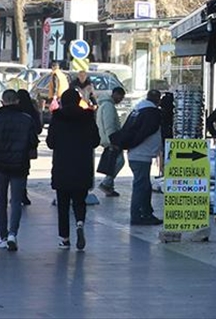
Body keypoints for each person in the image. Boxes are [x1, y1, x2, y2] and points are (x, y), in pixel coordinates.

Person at [0, 89, 39, 251]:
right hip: (20, 165)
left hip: (0, 166)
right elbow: (33, 142)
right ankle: (12, 234)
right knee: (16, 201)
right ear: (17, 101)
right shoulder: (26, 119)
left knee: (1, 201)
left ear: (2, 102)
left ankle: (2, 235)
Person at [46, 88, 100, 250]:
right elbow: (96, 141)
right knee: (79, 201)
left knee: (62, 205)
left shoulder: (57, 118)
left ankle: (64, 239)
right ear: (78, 101)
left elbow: (50, 143)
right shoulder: (88, 117)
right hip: (82, 166)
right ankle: (80, 223)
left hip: (62, 166)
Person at [110, 89, 163, 226]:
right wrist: (135, 143)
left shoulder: (137, 109)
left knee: (144, 185)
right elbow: (145, 132)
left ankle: (146, 212)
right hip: (141, 154)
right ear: (158, 100)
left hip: (137, 153)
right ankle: (138, 215)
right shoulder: (151, 113)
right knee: (141, 186)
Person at [95, 86, 126, 196]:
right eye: (120, 97)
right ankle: (106, 183)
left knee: (113, 162)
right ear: (115, 94)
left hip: (106, 138)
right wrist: (113, 140)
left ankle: (109, 186)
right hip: (111, 139)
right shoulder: (108, 106)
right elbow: (109, 125)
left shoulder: (104, 105)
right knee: (119, 161)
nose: (121, 100)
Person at [14, 89, 42, 206]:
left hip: (13, 145)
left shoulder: (14, 111)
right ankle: (22, 192)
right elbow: (39, 129)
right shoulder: (32, 112)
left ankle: (15, 193)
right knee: (24, 171)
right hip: (27, 147)